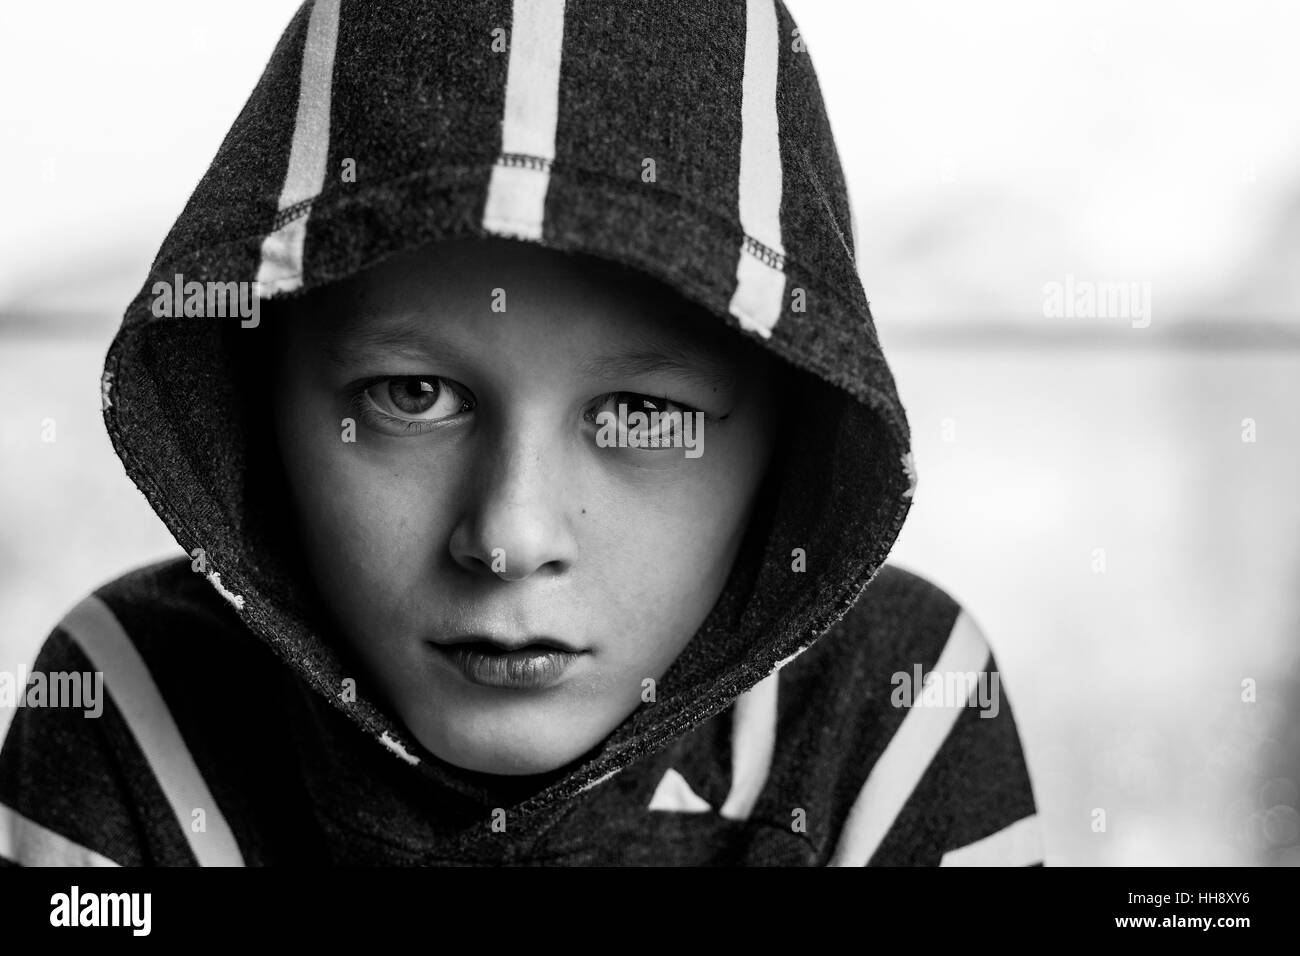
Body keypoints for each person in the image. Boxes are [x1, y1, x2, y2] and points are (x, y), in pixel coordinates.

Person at [0, 0, 1041, 865]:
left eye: (642, 413)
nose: (509, 536)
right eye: (410, 394)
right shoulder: (129, 702)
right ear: (254, 398)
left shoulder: (897, 710)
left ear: (794, 431)